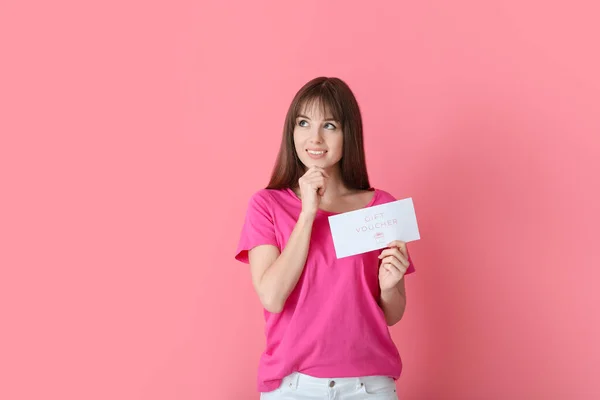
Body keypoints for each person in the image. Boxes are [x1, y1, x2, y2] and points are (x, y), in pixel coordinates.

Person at [235, 77, 416, 399]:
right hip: (293, 388)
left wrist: (389, 286)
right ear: (291, 132)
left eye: (329, 125)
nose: (314, 137)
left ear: (349, 134)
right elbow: (272, 297)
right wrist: (307, 213)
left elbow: (393, 313)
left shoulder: (382, 207)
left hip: (369, 387)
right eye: (303, 123)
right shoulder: (267, 205)